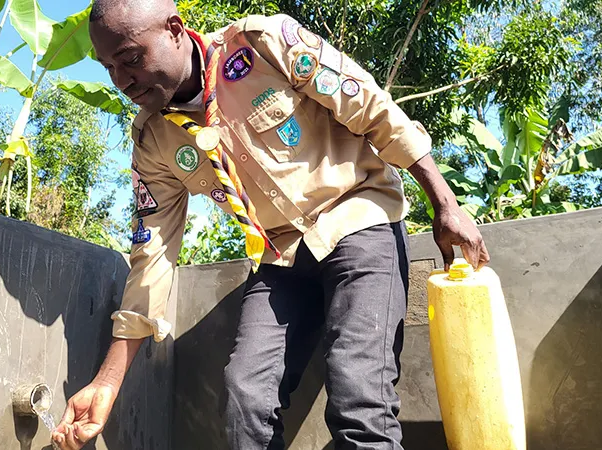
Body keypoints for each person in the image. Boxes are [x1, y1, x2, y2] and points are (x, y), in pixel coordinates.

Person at [52, 0, 490, 448]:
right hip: (280, 256)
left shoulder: (264, 44)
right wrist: (106, 383)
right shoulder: (152, 142)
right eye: (108, 67)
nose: (122, 80)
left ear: (174, 29)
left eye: (130, 58)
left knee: (360, 401)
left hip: (357, 219)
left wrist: (445, 202)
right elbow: (154, 255)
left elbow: (370, 106)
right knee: (247, 401)